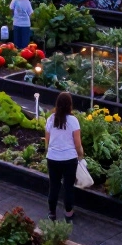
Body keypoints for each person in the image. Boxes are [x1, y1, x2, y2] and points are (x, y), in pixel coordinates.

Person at [45, 92, 84, 222]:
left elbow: (47, 141)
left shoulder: (51, 119)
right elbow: (77, 143)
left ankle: (52, 213)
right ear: (70, 105)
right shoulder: (73, 121)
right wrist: (81, 156)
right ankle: (68, 213)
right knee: (68, 187)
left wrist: (50, 152)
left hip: (53, 158)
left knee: (54, 186)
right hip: (69, 159)